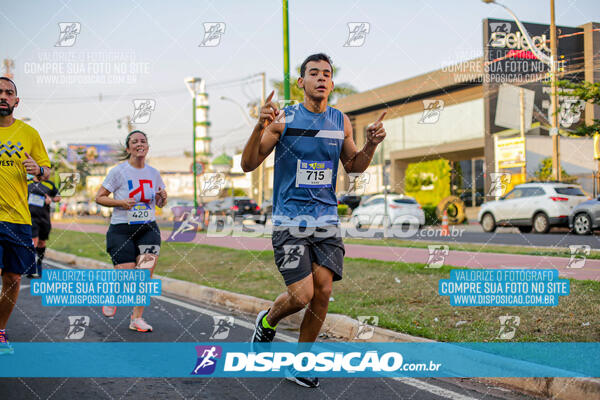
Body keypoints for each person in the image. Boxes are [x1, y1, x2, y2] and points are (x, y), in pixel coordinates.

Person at [241, 53, 386, 387]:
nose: (321, 78)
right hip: (290, 221)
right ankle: (269, 319)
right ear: (301, 82)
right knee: (301, 294)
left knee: (322, 292)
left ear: (332, 84)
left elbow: (354, 165)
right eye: (314, 73)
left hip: (326, 221)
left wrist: (371, 144)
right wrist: (258, 126)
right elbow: (248, 164)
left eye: (327, 74)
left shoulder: (340, 121)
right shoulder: (285, 119)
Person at [95, 130, 167, 332]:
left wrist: (163, 197)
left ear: (147, 147)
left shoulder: (154, 173)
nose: (139, 144)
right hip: (121, 230)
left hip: (148, 229)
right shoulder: (118, 172)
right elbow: (99, 197)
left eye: (143, 141)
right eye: (134, 141)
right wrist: (120, 202)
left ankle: (137, 319)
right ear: (128, 149)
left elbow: (160, 203)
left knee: (145, 275)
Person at [0, 77, 52, 355]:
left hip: (18, 219)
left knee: (13, 279)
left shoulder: (29, 134)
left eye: (9, 93)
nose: (4, 96)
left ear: (16, 102)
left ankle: (0, 330)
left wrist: (39, 170)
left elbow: (47, 170)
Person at [26, 174, 61, 278]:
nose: (46, 173)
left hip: (44, 218)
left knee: (42, 242)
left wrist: (51, 199)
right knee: (34, 241)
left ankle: (39, 263)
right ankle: (31, 268)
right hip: (30, 217)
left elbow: (58, 197)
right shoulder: (27, 182)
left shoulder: (49, 184)